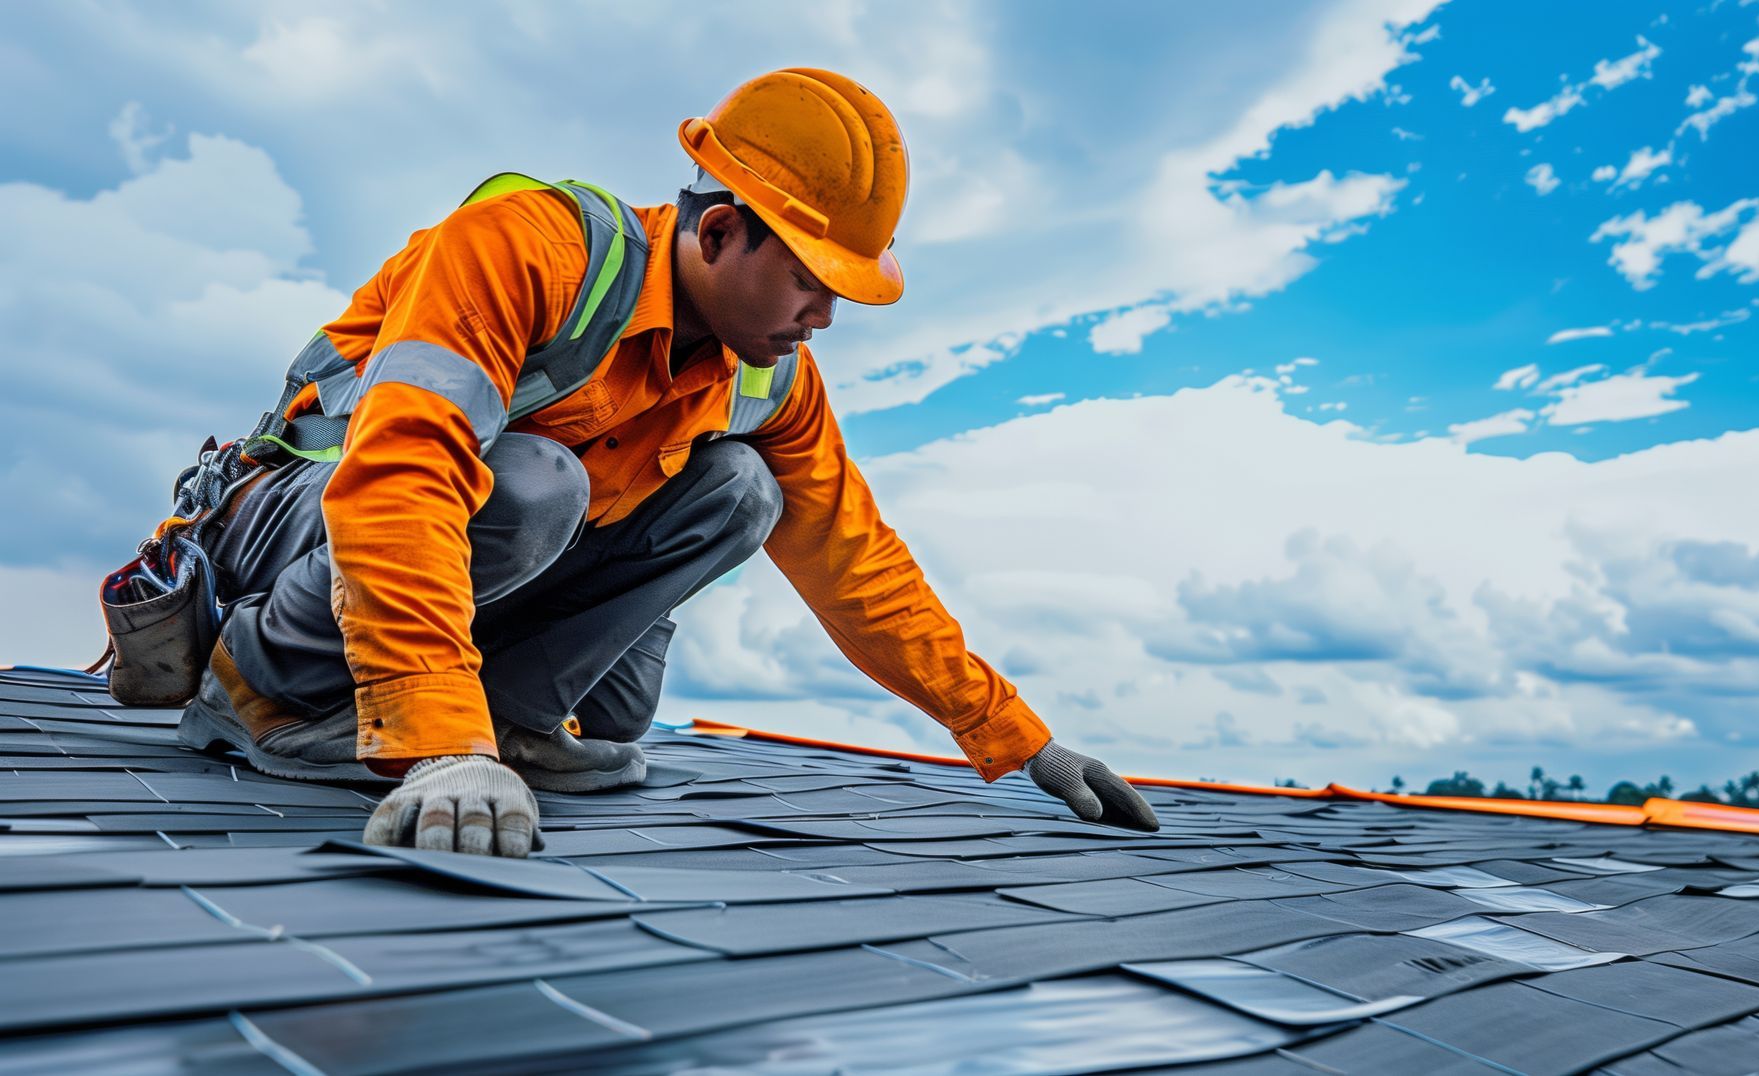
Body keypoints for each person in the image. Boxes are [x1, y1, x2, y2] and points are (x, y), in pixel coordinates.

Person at [178, 67, 1159, 858]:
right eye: (812, 283)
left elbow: (860, 568)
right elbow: (402, 473)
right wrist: (439, 742)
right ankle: (261, 684)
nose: (824, 318)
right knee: (533, 483)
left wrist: (1019, 739)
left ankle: (511, 721)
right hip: (300, 514)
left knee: (742, 495)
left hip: (476, 539)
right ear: (721, 229)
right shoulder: (530, 250)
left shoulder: (771, 379)